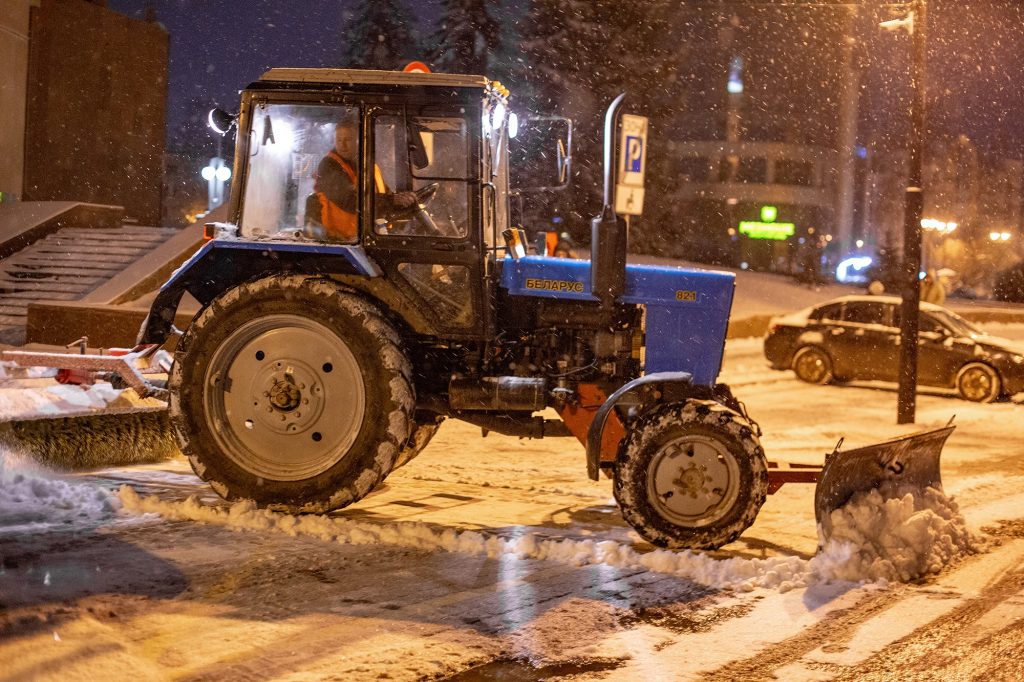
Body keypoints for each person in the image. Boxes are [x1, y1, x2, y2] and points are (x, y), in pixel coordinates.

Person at [305, 114, 416, 241]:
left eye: (348, 139)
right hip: (338, 241)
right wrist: (391, 200)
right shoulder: (329, 166)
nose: (343, 145)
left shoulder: (368, 166)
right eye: (339, 140)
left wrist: (403, 200)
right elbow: (350, 201)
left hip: (364, 236)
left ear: (360, 140)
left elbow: (384, 193)